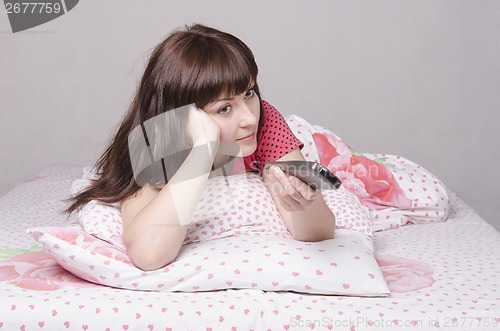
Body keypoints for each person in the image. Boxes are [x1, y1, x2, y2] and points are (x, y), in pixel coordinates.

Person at [66, 24, 335, 271]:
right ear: (181, 117)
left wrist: (305, 205)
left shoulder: (265, 122)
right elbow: (149, 254)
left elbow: (317, 232)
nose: (250, 118)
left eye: (249, 93)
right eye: (225, 108)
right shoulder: (156, 143)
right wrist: (202, 151)